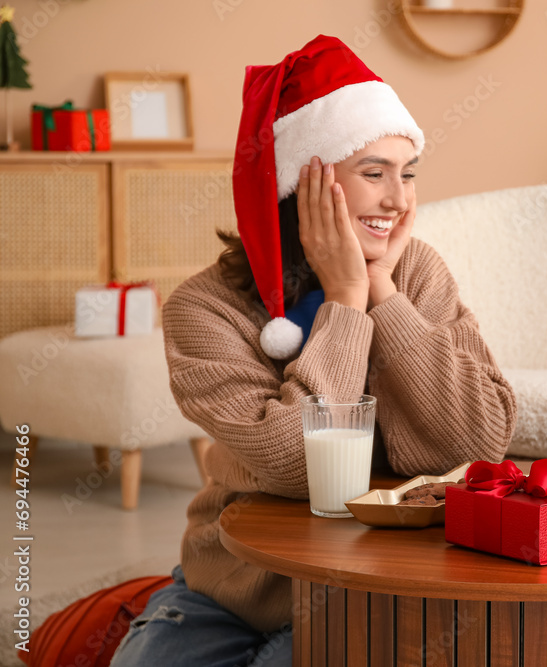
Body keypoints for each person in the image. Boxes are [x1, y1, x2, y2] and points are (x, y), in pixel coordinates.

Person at [110, 35, 516, 666]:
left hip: (369, 585)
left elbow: (480, 443)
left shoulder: (419, 275)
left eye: (407, 175)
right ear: (304, 183)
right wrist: (347, 301)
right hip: (233, 587)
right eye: (374, 173)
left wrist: (380, 290)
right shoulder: (204, 309)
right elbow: (296, 466)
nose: (398, 200)